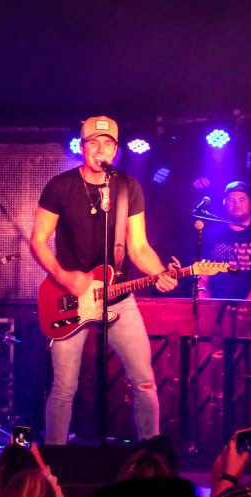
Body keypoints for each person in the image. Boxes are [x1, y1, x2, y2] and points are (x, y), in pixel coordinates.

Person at [30, 115, 179, 445]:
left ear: (116, 150)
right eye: (93, 143)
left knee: (144, 382)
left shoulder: (128, 188)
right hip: (71, 298)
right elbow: (38, 240)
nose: (100, 150)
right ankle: (55, 458)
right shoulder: (60, 186)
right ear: (82, 148)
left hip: (119, 299)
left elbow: (138, 246)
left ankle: (151, 455)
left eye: (107, 144)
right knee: (64, 387)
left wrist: (158, 273)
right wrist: (65, 277)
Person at [199, 181, 251, 300]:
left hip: (250, 305)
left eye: (242, 200)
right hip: (216, 304)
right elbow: (201, 278)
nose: (236, 205)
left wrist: (244, 308)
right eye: (231, 200)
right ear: (225, 203)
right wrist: (207, 306)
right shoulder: (212, 236)